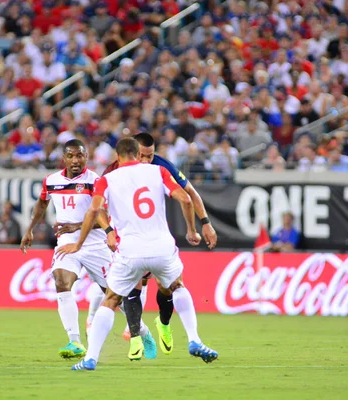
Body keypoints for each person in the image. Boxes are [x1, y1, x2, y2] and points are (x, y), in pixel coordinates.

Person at [57, 138, 218, 371]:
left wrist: (79, 242)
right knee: (178, 286)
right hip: (162, 247)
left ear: (118, 156)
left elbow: (95, 210)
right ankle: (194, 340)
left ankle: (90, 358)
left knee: (110, 300)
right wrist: (192, 229)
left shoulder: (106, 180)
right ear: (137, 153)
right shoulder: (159, 171)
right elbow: (185, 198)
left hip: (130, 250)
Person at [20, 139, 156, 360]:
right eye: (71, 156)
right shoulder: (51, 181)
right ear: (64, 158)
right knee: (61, 281)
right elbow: (42, 203)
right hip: (66, 244)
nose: (75, 160)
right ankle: (74, 341)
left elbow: (105, 214)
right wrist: (30, 229)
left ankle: (142, 331)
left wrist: (78, 226)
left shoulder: (96, 181)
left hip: (96, 245)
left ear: (86, 157)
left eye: (80, 156)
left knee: (115, 298)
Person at [98, 132, 218, 348]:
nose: (145, 161)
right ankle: (135, 338)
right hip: (127, 238)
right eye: (142, 156)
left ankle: (163, 322)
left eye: (150, 156)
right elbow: (98, 206)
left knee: (165, 287)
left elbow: (189, 193)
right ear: (132, 153)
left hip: (155, 233)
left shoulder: (162, 167)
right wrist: (108, 231)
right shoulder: (113, 171)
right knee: (134, 285)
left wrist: (205, 222)